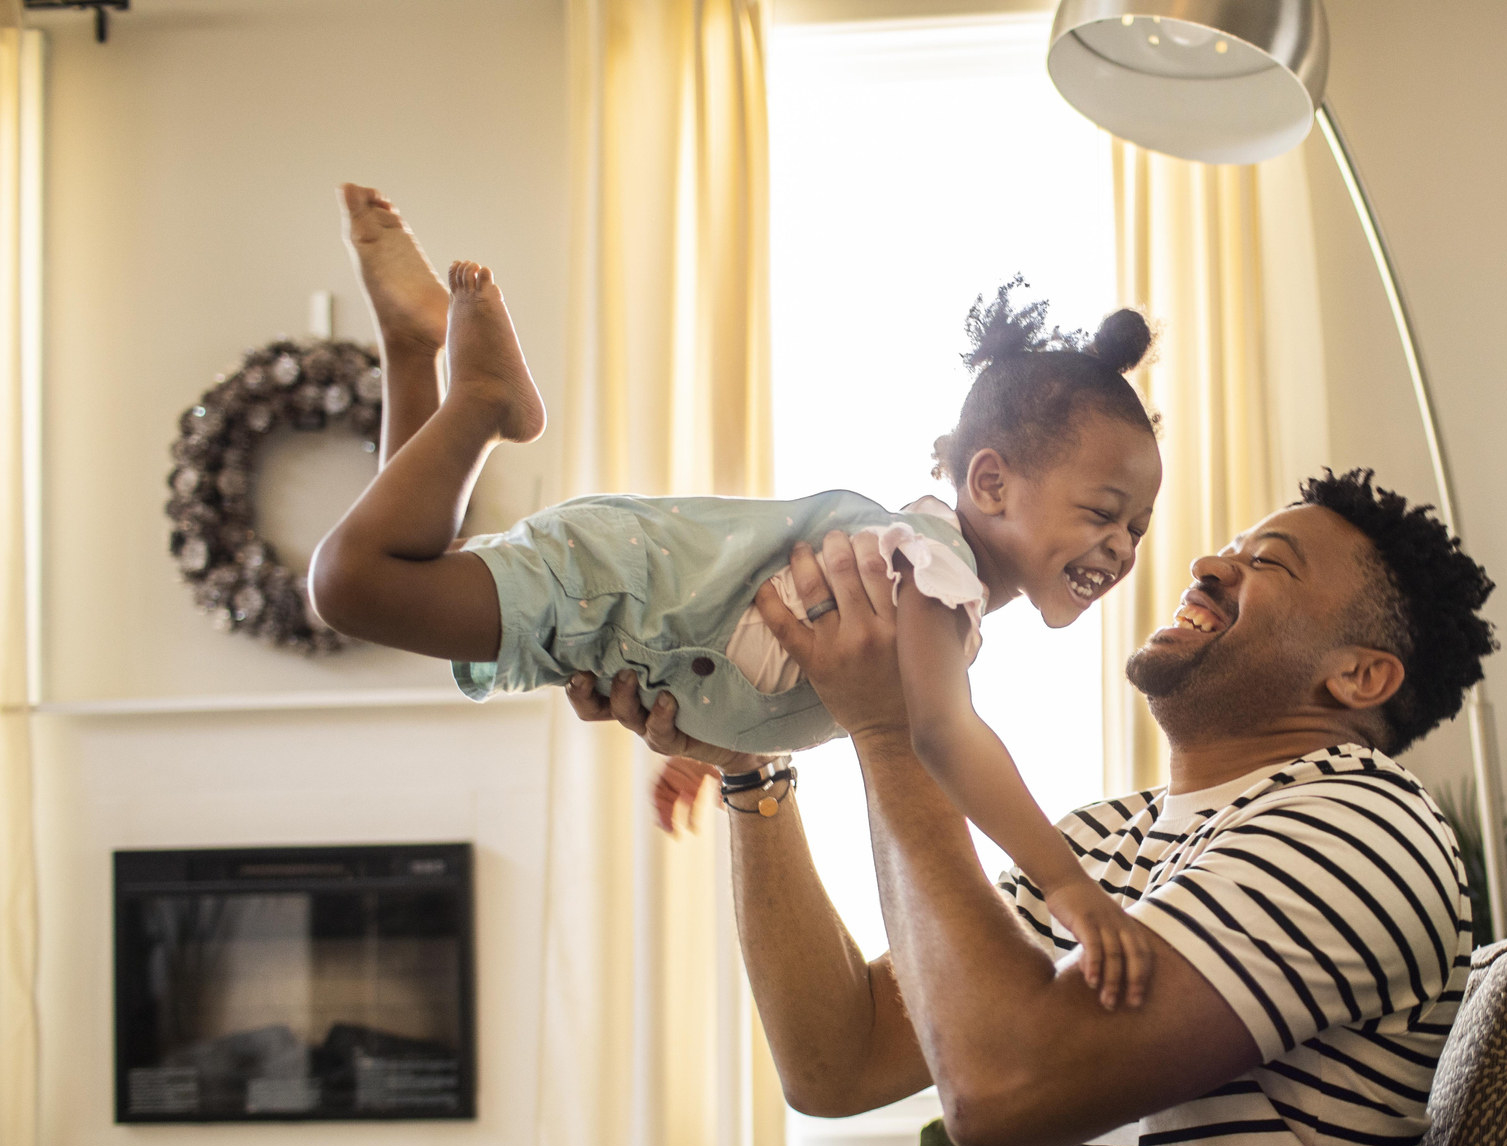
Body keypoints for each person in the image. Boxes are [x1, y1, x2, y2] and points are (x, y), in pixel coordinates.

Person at [570, 467, 1499, 1146]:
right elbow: (834, 1063)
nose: (1208, 563)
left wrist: (892, 726)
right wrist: (754, 773)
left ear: (1358, 675)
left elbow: (998, 1092)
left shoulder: (1357, 826)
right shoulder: (1102, 839)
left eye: (1268, 563)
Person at [310, 187, 1168, 1006]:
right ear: (991, 482)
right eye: (1103, 512)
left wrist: (707, 745)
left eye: (1137, 526)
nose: (1122, 547)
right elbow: (944, 735)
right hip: (616, 593)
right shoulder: (934, 577)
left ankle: (412, 346)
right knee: (353, 584)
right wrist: (1067, 888)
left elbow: (755, 633)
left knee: (414, 561)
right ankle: (484, 398)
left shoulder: (922, 563)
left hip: (622, 610)